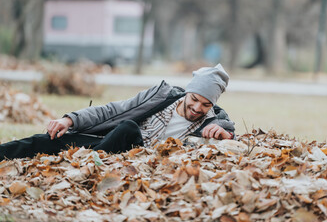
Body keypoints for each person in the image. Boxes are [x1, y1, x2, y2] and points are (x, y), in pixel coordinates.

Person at [0, 64, 235, 160]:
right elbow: (114, 109)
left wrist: (222, 130)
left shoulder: (212, 120)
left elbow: (228, 128)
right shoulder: (162, 96)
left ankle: (89, 165)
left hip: (137, 159)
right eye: (194, 99)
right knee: (43, 141)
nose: (197, 109)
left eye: (205, 105)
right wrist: (70, 119)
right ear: (187, 92)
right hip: (106, 142)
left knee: (129, 129)